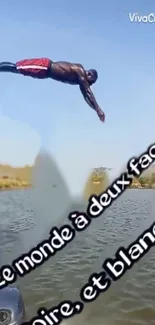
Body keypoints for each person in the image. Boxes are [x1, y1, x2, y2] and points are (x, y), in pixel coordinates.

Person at [0, 58, 105, 122]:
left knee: (19, 71)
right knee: (17, 68)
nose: (89, 84)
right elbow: (88, 92)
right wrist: (99, 109)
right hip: (45, 66)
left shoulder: (80, 81)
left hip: (44, 74)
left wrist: (96, 110)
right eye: (91, 81)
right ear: (89, 74)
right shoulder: (80, 70)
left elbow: (86, 96)